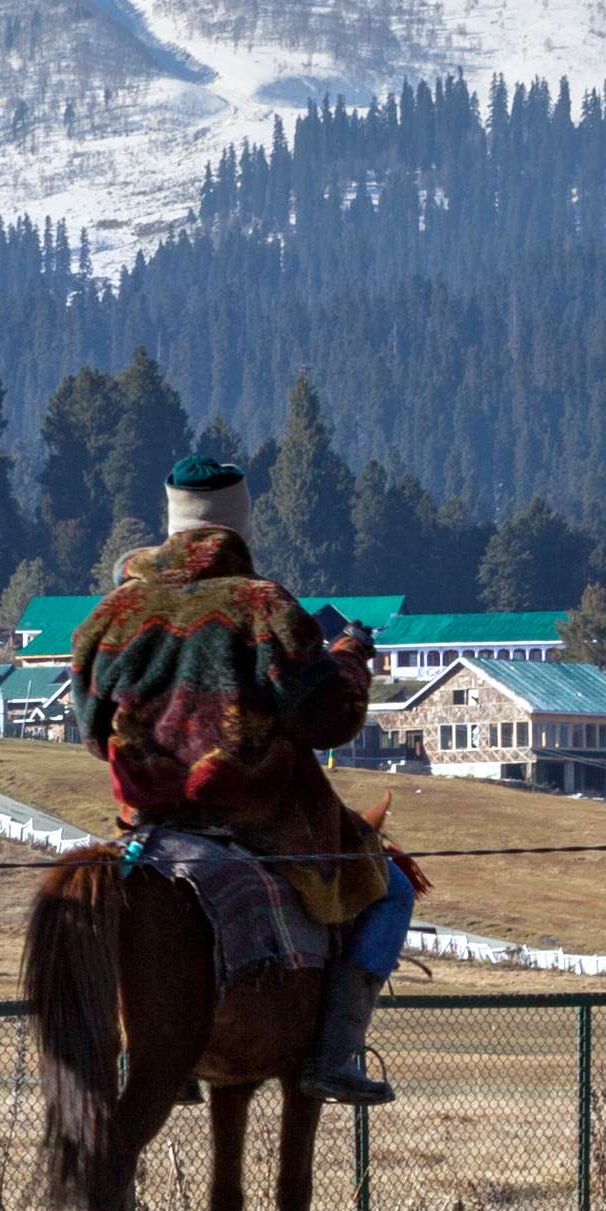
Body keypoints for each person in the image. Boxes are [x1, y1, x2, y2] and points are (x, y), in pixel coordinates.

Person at [72, 447, 411, 1103]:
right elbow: (329, 720)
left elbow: (92, 733)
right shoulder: (263, 606)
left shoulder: (111, 614)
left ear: (172, 518)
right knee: (391, 888)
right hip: (257, 819)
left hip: (148, 821)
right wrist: (350, 657)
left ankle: (135, 1048)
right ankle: (336, 1051)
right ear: (239, 519)